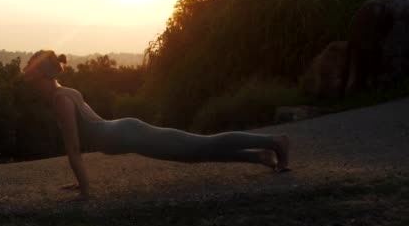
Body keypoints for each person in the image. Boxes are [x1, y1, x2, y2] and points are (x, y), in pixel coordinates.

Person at [23, 50, 290, 201]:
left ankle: (274, 142)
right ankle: (260, 157)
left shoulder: (60, 100)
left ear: (42, 73)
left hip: (130, 133)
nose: (26, 72)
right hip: (127, 132)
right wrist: (81, 183)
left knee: (202, 145)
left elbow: (73, 147)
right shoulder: (67, 91)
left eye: (30, 68)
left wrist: (85, 188)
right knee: (194, 155)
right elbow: (89, 131)